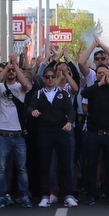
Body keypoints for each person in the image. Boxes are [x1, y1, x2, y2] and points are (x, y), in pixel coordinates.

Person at [26, 64, 78, 207]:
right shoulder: (38, 94)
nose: (50, 79)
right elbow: (30, 107)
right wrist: (33, 112)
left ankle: (68, 195)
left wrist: (70, 122)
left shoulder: (63, 93)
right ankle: (45, 195)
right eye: (47, 77)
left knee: (65, 165)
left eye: (53, 77)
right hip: (45, 133)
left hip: (61, 132)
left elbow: (71, 110)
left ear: (56, 78)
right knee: (45, 165)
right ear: (43, 79)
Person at [0, 55, 34, 208]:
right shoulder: (1, 88)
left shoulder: (20, 88)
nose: (11, 73)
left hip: (19, 135)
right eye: (9, 71)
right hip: (2, 134)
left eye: (13, 71)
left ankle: (24, 195)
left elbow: (26, 84)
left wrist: (15, 66)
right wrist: (7, 67)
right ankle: (0, 196)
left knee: (21, 168)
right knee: (1, 169)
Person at [81, 63, 109, 204]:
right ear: (96, 75)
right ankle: (91, 194)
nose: (102, 74)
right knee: (92, 165)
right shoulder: (93, 88)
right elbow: (84, 93)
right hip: (94, 133)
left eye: (104, 72)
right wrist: (99, 84)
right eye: (99, 72)